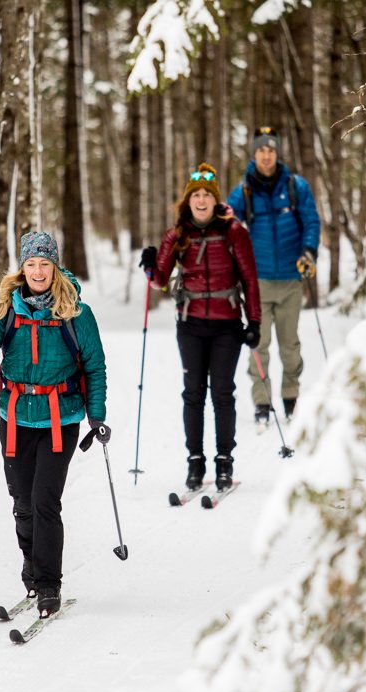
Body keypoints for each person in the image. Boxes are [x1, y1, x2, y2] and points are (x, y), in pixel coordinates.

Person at [0, 231, 108, 618]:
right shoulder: (6, 308)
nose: (39, 271)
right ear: (22, 267)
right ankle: (31, 564)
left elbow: (94, 366)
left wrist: (96, 414)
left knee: (45, 502)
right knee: (22, 503)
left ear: (55, 267)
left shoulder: (76, 312)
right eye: (31, 264)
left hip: (61, 418)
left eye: (45, 264)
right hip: (15, 418)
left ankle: (48, 584)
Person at [139, 162, 261, 492]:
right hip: (190, 324)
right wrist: (150, 266)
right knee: (193, 393)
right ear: (188, 200)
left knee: (222, 392)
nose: (202, 200)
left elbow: (250, 279)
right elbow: (159, 280)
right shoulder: (178, 234)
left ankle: (224, 461)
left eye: (207, 194)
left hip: (227, 325)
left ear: (215, 200)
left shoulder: (234, 232)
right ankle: (195, 461)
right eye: (196, 195)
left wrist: (255, 322)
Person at [226, 126, 321, 429]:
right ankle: (262, 402)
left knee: (290, 345)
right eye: (261, 150)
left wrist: (309, 251)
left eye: (270, 150)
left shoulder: (296, 186)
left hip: (292, 279)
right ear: (254, 154)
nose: (266, 155)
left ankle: (291, 397)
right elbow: (226, 222)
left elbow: (311, 221)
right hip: (258, 282)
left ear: (277, 154)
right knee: (260, 344)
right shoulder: (243, 191)